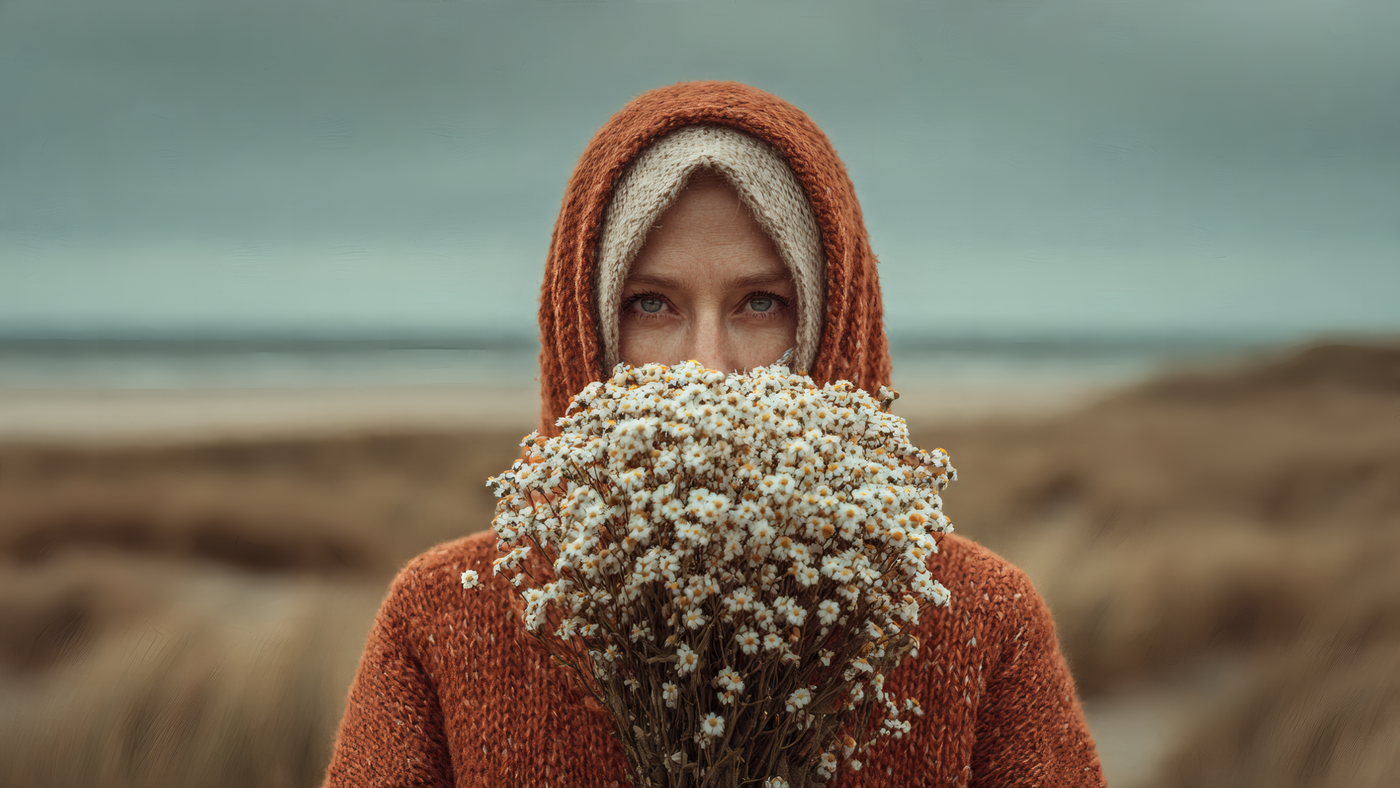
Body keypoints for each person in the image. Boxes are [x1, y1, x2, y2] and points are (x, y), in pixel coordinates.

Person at [323, 81, 1105, 788]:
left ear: (835, 320)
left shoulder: (980, 622)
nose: (706, 369)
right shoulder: (442, 621)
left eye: (760, 303)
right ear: (583, 329)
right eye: (651, 305)